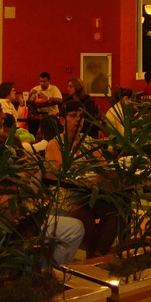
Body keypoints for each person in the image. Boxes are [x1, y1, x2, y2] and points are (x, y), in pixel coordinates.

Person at [45, 100, 119, 257]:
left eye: (81, 116)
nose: (78, 120)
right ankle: (91, 253)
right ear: (62, 120)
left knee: (113, 212)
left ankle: (97, 252)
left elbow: (103, 166)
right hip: (65, 196)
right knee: (84, 214)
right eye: (73, 116)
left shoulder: (87, 142)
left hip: (88, 193)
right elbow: (57, 172)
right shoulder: (55, 144)